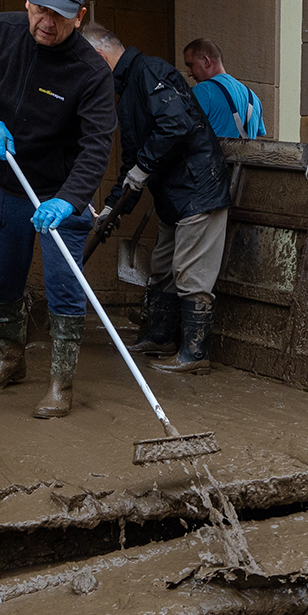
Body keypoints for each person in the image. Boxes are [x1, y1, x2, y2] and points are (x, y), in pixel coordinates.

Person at [0, 0, 115, 419]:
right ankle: (9, 359)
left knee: (65, 285)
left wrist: (69, 198)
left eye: (60, 16)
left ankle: (61, 384)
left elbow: (97, 145)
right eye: (40, 9)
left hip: (62, 192)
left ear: (79, 16)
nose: (47, 22)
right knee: (1, 278)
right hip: (4, 180)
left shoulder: (91, 73)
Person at [85, 23, 231, 375]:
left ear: (99, 57)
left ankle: (195, 355)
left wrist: (144, 166)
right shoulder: (128, 91)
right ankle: (161, 337)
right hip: (173, 197)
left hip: (198, 190)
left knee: (190, 274)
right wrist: (113, 205)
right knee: (162, 269)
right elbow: (132, 159)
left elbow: (176, 124)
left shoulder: (150, 71)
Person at [181, 39, 266, 139]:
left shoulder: (203, 90)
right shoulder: (254, 98)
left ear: (206, 61)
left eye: (191, 66)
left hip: (213, 154)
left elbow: (185, 133)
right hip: (245, 155)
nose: (189, 73)